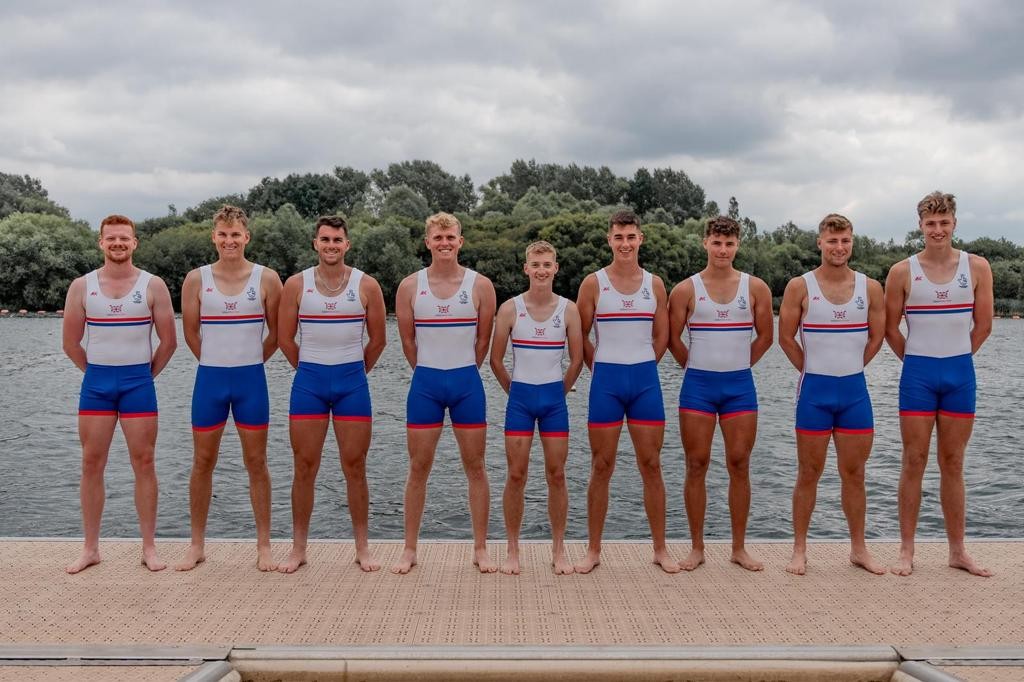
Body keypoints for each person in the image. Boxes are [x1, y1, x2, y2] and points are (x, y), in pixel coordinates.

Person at [884, 192, 993, 577]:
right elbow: (889, 328)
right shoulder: (902, 272)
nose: (938, 229)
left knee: (953, 461)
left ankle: (958, 551)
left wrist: (956, 355)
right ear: (920, 226)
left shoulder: (977, 267)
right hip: (918, 376)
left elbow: (983, 326)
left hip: (959, 374)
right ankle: (906, 550)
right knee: (913, 460)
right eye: (931, 223)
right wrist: (917, 360)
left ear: (954, 224)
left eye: (944, 222)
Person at [61, 214, 177, 573]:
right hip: (97, 385)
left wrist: (143, 377)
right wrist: (96, 373)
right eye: (111, 238)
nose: (117, 244)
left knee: (144, 463)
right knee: (91, 463)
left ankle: (149, 547)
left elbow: (169, 343)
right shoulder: (82, 287)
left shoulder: (152, 285)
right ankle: (90, 548)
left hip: (137, 384)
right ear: (101, 243)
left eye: (124, 238)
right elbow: (70, 344)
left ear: (134, 242)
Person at [174, 205, 282, 572]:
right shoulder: (196, 279)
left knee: (257, 463)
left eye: (235, 234)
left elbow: (278, 333)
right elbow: (190, 332)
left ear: (246, 237)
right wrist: (215, 360)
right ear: (214, 237)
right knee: (202, 462)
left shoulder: (267, 279)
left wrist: (251, 359)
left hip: (251, 380)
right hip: (210, 380)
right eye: (223, 234)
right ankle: (196, 544)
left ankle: (264, 545)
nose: (229, 240)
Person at [277, 216, 386, 573]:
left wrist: (352, 371)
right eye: (325, 239)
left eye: (337, 240)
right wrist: (310, 369)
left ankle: (362, 547)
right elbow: (285, 339)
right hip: (309, 383)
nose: (331, 245)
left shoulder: (366, 285)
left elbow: (379, 340)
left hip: (352, 384)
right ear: (315, 243)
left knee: (355, 467)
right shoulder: (296, 285)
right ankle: (298, 548)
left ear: (347, 244)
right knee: (304, 467)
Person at [778, 214, 886, 575]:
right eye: (832, 241)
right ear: (820, 243)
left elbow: (876, 339)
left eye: (845, 241)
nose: (839, 248)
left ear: (852, 242)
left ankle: (859, 549)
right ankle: (799, 550)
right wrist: (811, 371)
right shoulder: (800, 287)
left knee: (854, 474)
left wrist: (852, 367)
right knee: (808, 472)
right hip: (814, 393)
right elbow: (785, 338)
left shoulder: (870, 288)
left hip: (855, 393)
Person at [392, 212, 497, 574]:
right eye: (438, 238)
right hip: (426, 385)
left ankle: (480, 548)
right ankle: (409, 548)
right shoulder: (409, 286)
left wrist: (463, 368)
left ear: (460, 241)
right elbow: (407, 341)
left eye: (450, 237)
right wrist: (430, 370)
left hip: (466, 383)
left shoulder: (480, 285)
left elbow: (483, 341)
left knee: (476, 468)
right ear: (427, 242)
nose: (445, 243)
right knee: (418, 467)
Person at [575, 210, 678, 574]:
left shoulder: (655, 284)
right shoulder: (593, 283)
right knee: (601, 466)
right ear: (609, 240)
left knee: (651, 465)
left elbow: (661, 336)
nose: (625, 244)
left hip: (645, 381)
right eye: (618, 237)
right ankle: (593, 550)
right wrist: (599, 367)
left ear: (641, 239)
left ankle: (661, 549)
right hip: (607, 382)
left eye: (631, 237)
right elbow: (580, 335)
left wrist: (644, 364)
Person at [667, 216, 773, 572]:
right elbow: (671, 339)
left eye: (729, 244)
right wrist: (694, 365)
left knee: (739, 464)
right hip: (698, 387)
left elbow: (766, 338)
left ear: (737, 245)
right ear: (705, 244)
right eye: (716, 243)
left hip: (739, 387)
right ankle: (696, 547)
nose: (722, 250)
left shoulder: (755, 287)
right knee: (696, 465)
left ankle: (739, 548)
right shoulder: (685, 290)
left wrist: (740, 365)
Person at [490, 241, 584, 575]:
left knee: (557, 475)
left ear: (556, 268)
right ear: (526, 268)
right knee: (516, 475)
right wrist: (514, 392)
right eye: (535, 264)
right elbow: (496, 360)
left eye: (547, 264)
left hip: (553, 401)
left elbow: (577, 359)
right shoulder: (510, 309)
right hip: (521, 400)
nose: (541, 270)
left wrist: (560, 389)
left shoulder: (569, 310)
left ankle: (559, 550)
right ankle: (512, 550)